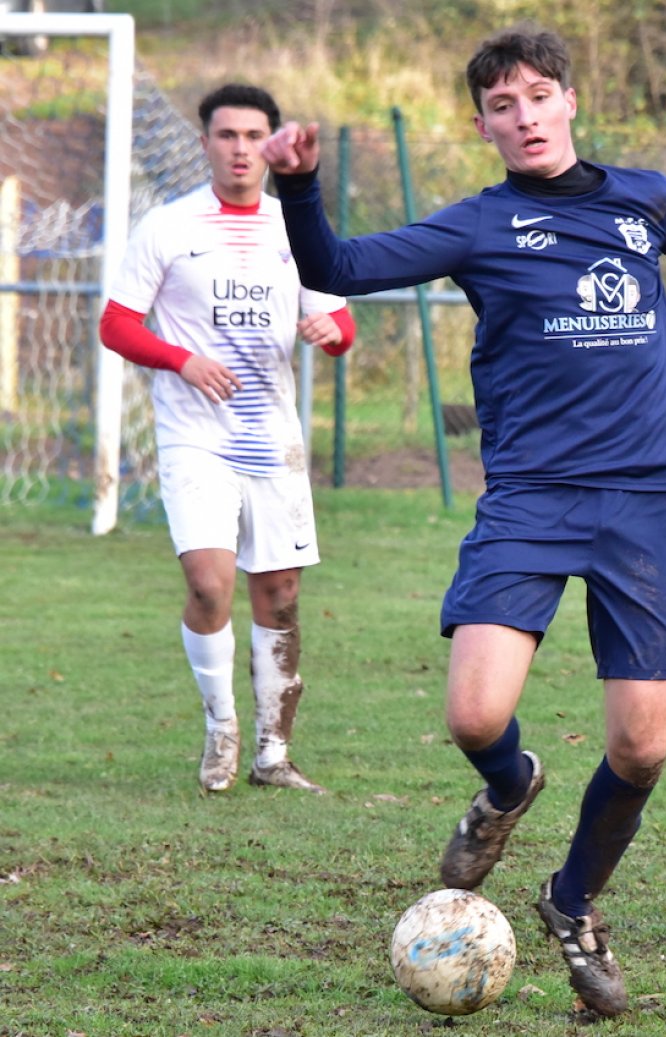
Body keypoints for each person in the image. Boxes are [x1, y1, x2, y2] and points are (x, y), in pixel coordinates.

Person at [262, 24, 666, 1018]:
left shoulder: (650, 199)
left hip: (642, 502)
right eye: (503, 105)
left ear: (569, 101)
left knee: (641, 748)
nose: (525, 115)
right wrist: (300, 185)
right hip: (531, 497)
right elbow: (338, 260)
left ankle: (574, 904)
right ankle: (508, 785)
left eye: (539, 95)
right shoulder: (478, 225)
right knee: (472, 714)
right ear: (482, 126)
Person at [99, 83, 356, 796]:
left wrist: (331, 331)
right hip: (194, 437)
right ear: (206, 142)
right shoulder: (168, 226)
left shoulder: (295, 227)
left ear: (273, 145)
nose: (241, 149)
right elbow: (116, 323)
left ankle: (274, 754)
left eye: (253, 136)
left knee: (278, 593)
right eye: (226, 135)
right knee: (208, 582)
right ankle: (222, 725)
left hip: (273, 440)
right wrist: (181, 358)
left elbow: (340, 325)